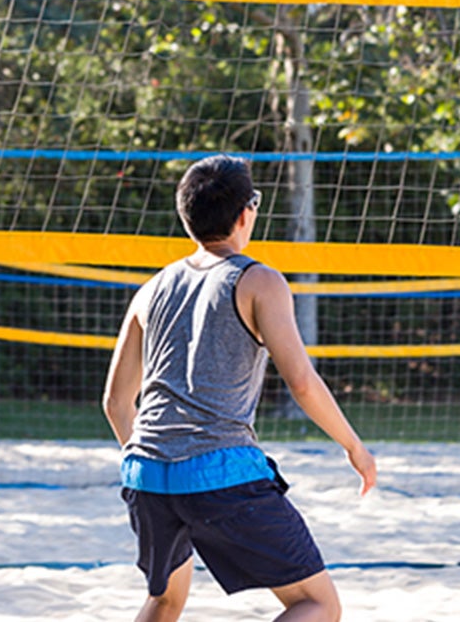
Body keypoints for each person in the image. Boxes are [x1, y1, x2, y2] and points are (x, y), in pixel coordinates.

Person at [103, 154, 377, 622]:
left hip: (145, 472)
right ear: (245, 213)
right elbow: (302, 383)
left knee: (165, 601)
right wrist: (354, 447)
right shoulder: (259, 281)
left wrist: (156, 464)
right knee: (318, 604)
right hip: (219, 474)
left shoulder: (150, 289)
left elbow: (115, 402)